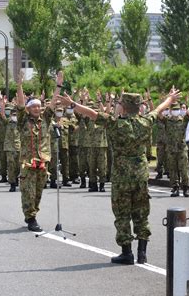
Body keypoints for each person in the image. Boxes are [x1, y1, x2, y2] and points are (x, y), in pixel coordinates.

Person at [58, 87, 180, 265]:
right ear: (139, 107)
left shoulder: (114, 124)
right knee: (141, 214)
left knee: (122, 214)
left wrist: (73, 104)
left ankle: (127, 253)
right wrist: (170, 98)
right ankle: (142, 253)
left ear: (123, 107)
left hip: (122, 176)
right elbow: (158, 109)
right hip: (140, 175)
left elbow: (92, 114)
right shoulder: (146, 122)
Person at [16, 72, 61, 232]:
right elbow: (20, 105)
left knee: (38, 192)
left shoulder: (46, 119)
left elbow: (53, 103)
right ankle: (31, 217)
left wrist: (58, 86)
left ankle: (33, 212)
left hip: (42, 161)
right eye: (33, 106)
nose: (37, 108)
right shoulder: (23, 121)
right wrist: (19, 85)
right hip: (28, 162)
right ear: (28, 109)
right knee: (27, 191)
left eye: (38, 106)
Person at [162, 99, 189, 197]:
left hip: (181, 148)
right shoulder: (167, 120)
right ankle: (175, 188)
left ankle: (186, 188)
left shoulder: (183, 119)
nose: (176, 111)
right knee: (173, 169)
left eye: (177, 109)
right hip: (171, 149)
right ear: (170, 110)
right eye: (174, 109)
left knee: (184, 169)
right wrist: (167, 99)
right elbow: (158, 113)